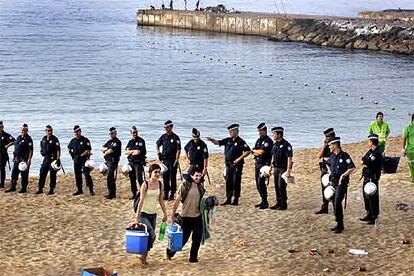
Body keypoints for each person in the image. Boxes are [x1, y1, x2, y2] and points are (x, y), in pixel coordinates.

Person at [207, 123, 251, 206]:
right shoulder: (227, 140)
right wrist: (212, 140)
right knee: (228, 181)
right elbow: (218, 142)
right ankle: (228, 198)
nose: (231, 133)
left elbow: (248, 151)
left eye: (233, 131)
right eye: (230, 131)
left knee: (236, 182)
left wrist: (239, 158)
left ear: (237, 131)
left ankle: (236, 199)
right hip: (228, 164)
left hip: (237, 165)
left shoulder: (241, 141)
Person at [168, 168, 205, 263]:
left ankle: (193, 258)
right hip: (186, 218)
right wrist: (172, 214)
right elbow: (177, 200)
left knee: (197, 239)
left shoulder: (200, 186)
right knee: (182, 240)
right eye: (196, 175)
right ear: (191, 175)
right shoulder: (184, 185)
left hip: (198, 217)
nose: (198, 177)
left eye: (200, 176)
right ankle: (169, 253)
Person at [134, 164, 168, 265]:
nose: (157, 174)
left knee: (149, 236)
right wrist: (137, 216)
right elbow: (141, 201)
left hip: (153, 214)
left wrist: (165, 213)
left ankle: (143, 257)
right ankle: (142, 255)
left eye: (159, 172)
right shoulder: (145, 184)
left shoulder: (160, 184)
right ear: (150, 173)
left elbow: (161, 200)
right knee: (152, 236)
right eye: (155, 172)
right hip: (143, 213)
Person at [326, 137, 356, 234]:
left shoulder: (344, 156)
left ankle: (340, 225)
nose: (329, 146)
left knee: (337, 202)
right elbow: (328, 164)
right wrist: (330, 173)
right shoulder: (332, 156)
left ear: (335, 145)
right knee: (334, 202)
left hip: (341, 183)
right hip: (334, 182)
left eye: (330, 145)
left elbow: (352, 168)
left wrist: (343, 175)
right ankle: (338, 223)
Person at [360, 134, 383, 225]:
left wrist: (366, 163)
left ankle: (374, 216)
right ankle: (369, 213)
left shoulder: (377, 153)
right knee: (366, 196)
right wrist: (365, 163)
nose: (368, 143)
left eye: (369, 141)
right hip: (366, 176)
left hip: (372, 178)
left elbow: (367, 162)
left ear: (372, 142)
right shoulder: (370, 151)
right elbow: (362, 161)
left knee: (373, 197)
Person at [156, 120, 181, 201]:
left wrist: (176, 160)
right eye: (165, 127)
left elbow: (178, 149)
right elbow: (157, 144)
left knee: (172, 177)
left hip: (173, 160)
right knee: (165, 177)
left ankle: (172, 194)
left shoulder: (175, 137)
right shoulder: (163, 137)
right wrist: (158, 153)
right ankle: (166, 193)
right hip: (165, 161)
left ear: (171, 127)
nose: (166, 129)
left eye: (167, 127)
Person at [270, 127, 293, 210]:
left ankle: (283, 204)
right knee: (276, 186)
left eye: (274, 134)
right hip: (276, 167)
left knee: (281, 186)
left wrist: (288, 171)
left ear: (279, 134)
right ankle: (278, 202)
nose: (273, 135)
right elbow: (273, 157)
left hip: (283, 168)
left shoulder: (286, 144)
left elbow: (289, 158)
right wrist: (270, 167)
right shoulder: (274, 144)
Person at [251, 123, 273, 209]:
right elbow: (254, 150)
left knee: (261, 183)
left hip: (264, 165)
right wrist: (256, 151)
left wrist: (255, 151)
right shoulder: (259, 140)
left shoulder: (268, 141)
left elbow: (261, 152)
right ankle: (263, 200)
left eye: (261, 131)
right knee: (257, 183)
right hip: (257, 163)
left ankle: (265, 202)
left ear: (265, 131)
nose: (259, 132)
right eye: (259, 131)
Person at [68, 125, 94, 196]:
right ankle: (79, 190)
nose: (76, 133)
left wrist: (81, 155)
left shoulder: (85, 140)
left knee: (86, 174)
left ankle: (91, 189)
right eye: (75, 132)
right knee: (77, 174)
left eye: (78, 131)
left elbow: (88, 149)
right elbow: (69, 148)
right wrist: (72, 155)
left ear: (80, 131)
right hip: (76, 159)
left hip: (84, 160)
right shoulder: (73, 141)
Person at [6, 123, 32, 193]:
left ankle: (23, 188)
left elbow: (30, 150)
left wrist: (29, 159)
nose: (23, 131)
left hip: (24, 159)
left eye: (24, 130)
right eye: (22, 130)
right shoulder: (18, 137)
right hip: (17, 159)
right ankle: (13, 187)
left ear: (27, 131)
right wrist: (14, 156)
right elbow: (16, 148)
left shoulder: (29, 139)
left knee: (24, 175)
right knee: (14, 173)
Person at [315, 128, 336, 214]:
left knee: (332, 188)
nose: (326, 139)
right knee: (324, 188)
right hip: (324, 169)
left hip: (332, 169)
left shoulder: (335, 146)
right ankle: (325, 206)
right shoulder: (326, 146)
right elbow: (320, 156)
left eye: (327, 137)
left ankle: (335, 207)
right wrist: (324, 146)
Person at [36, 125, 61, 195]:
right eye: (48, 131)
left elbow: (58, 149)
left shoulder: (55, 139)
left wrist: (58, 159)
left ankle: (51, 190)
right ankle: (40, 189)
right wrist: (41, 151)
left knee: (52, 175)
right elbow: (41, 146)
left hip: (53, 159)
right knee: (42, 173)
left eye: (50, 131)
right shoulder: (43, 139)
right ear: (45, 131)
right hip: (46, 159)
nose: (49, 132)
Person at [125, 126, 147, 199]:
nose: (135, 134)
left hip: (138, 162)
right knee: (132, 179)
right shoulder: (130, 141)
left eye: (136, 132)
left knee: (139, 178)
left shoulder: (141, 141)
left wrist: (130, 151)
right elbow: (125, 152)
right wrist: (132, 151)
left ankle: (143, 193)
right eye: (133, 132)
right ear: (131, 133)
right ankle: (134, 194)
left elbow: (137, 152)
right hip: (131, 162)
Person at [101, 127, 121, 199]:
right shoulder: (109, 141)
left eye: (112, 133)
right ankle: (110, 192)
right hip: (107, 161)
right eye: (110, 133)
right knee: (108, 177)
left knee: (111, 177)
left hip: (113, 161)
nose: (111, 135)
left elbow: (111, 151)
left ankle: (112, 194)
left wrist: (106, 150)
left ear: (115, 133)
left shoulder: (117, 142)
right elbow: (102, 148)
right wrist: (106, 149)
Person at [0, 121, 15, 189]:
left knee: (2, 169)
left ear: (3, 127)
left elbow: (14, 141)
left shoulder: (6, 135)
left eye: (1, 127)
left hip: (3, 155)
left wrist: (7, 146)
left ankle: (2, 183)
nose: (0, 128)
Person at [402, 114, 414, 182]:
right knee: (411, 164)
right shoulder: (408, 128)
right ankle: (412, 177)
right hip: (410, 150)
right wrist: (403, 149)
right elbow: (404, 138)